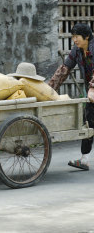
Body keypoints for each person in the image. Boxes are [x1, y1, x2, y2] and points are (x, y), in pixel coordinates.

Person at [48, 23, 94, 170]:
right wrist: (48, 90)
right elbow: (64, 69)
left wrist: (92, 87)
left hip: (92, 89)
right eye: (72, 37)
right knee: (88, 121)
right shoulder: (77, 50)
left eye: (76, 37)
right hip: (92, 92)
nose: (74, 40)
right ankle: (85, 159)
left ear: (86, 37)